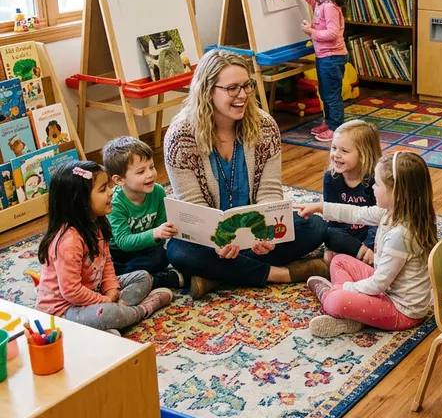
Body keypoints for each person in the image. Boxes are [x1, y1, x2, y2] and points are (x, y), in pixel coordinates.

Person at [163, 49, 328, 299]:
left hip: (254, 227)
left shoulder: (264, 126)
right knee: (178, 251)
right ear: (207, 91)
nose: (242, 95)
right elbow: (192, 205)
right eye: (232, 88)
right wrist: (217, 242)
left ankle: (214, 276)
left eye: (246, 85)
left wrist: (266, 232)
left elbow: (269, 190)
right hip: (210, 238)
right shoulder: (180, 137)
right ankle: (278, 274)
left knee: (315, 226)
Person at [297, 151, 437, 338]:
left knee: (335, 301)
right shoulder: (392, 212)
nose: (372, 188)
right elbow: (356, 213)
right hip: (387, 289)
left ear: (396, 192)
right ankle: (352, 316)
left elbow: (379, 283)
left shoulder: (401, 235)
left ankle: (328, 295)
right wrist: (320, 207)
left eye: (377, 184)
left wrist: (345, 288)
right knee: (339, 261)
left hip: (401, 311)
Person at [35, 161, 173, 333]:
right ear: (80, 201)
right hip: (64, 312)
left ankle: (112, 322)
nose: (111, 192)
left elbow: (106, 261)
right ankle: (142, 310)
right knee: (107, 313)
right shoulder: (68, 241)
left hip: (94, 292)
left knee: (143, 277)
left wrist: (111, 288)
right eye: (102, 190)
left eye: (108, 186)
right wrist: (105, 301)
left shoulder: (98, 224)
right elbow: (71, 292)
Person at [103, 136, 184, 290]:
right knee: (105, 269)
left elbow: (160, 236)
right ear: (119, 180)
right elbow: (123, 242)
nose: (150, 174)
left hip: (146, 250)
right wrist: (154, 233)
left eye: (151, 167)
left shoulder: (158, 192)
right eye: (141, 171)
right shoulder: (115, 202)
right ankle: (156, 280)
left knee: (162, 256)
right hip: (118, 253)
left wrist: (161, 233)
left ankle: (129, 279)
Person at [286, 0, 347, 142]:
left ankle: (336, 127)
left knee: (331, 95)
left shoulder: (330, 7)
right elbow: (312, 0)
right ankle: (329, 122)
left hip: (332, 58)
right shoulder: (321, 2)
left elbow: (333, 33)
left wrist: (311, 32)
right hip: (325, 57)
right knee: (325, 93)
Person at [321, 119, 382, 265]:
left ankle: (359, 255)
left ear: (364, 155)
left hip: (370, 232)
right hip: (344, 234)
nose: (336, 154)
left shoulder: (375, 180)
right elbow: (332, 219)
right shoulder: (330, 178)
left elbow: (379, 219)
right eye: (334, 148)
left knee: (388, 233)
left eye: (344, 151)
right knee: (326, 232)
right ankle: (360, 255)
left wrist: (369, 245)